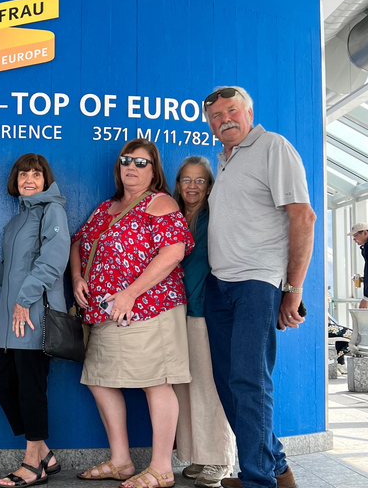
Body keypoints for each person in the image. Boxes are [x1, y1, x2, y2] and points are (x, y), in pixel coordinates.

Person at [202, 86, 316, 488]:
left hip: (257, 282)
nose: (224, 120)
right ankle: (274, 469)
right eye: (215, 116)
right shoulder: (226, 159)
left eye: (231, 111)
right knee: (229, 381)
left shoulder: (273, 146)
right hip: (221, 286)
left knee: (249, 381)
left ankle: (257, 481)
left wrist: (294, 289)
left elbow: (303, 217)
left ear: (249, 112)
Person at [70, 139, 194, 488]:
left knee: (156, 382)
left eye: (141, 163)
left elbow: (174, 251)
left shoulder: (160, 202)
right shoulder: (105, 208)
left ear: (154, 170)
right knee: (99, 379)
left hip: (151, 308)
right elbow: (78, 241)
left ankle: (161, 468)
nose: (131, 167)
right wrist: (79, 276)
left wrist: (129, 293)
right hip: (106, 312)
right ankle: (121, 461)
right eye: (126, 161)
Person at [0, 153, 69, 488]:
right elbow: (9, 272)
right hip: (7, 322)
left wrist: (24, 300)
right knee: (3, 384)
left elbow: (52, 261)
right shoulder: (16, 222)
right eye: (22, 175)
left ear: (45, 179)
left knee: (32, 389)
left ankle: (33, 464)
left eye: (35, 174)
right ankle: (45, 452)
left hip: (32, 318)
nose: (28, 180)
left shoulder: (52, 211)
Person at [171, 156, 235, 488]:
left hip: (205, 313)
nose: (193, 186)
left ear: (209, 186)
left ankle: (220, 459)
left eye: (200, 180)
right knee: (185, 387)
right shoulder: (176, 217)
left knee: (209, 388)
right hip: (177, 313)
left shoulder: (213, 218)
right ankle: (198, 454)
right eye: (186, 180)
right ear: (178, 184)